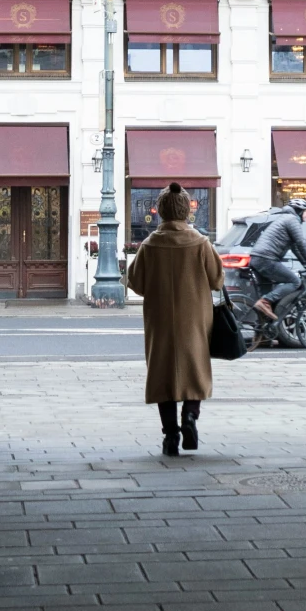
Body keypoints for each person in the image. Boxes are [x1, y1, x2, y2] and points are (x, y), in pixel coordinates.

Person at [126, 182, 224, 457]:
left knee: (163, 373)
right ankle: (191, 416)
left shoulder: (150, 244)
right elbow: (217, 280)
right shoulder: (200, 244)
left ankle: (170, 435)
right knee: (194, 368)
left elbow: (136, 282)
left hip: (160, 320)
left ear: (161, 212)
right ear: (186, 212)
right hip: (194, 319)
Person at [249, 196, 306, 321]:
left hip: (259, 259)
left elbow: (295, 247)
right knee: (295, 282)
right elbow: (301, 243)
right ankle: (265, 302)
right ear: (299, 211)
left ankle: (263, 337)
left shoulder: (285, 219)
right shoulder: (291, 220)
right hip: (266, 259)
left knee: (267, 306)